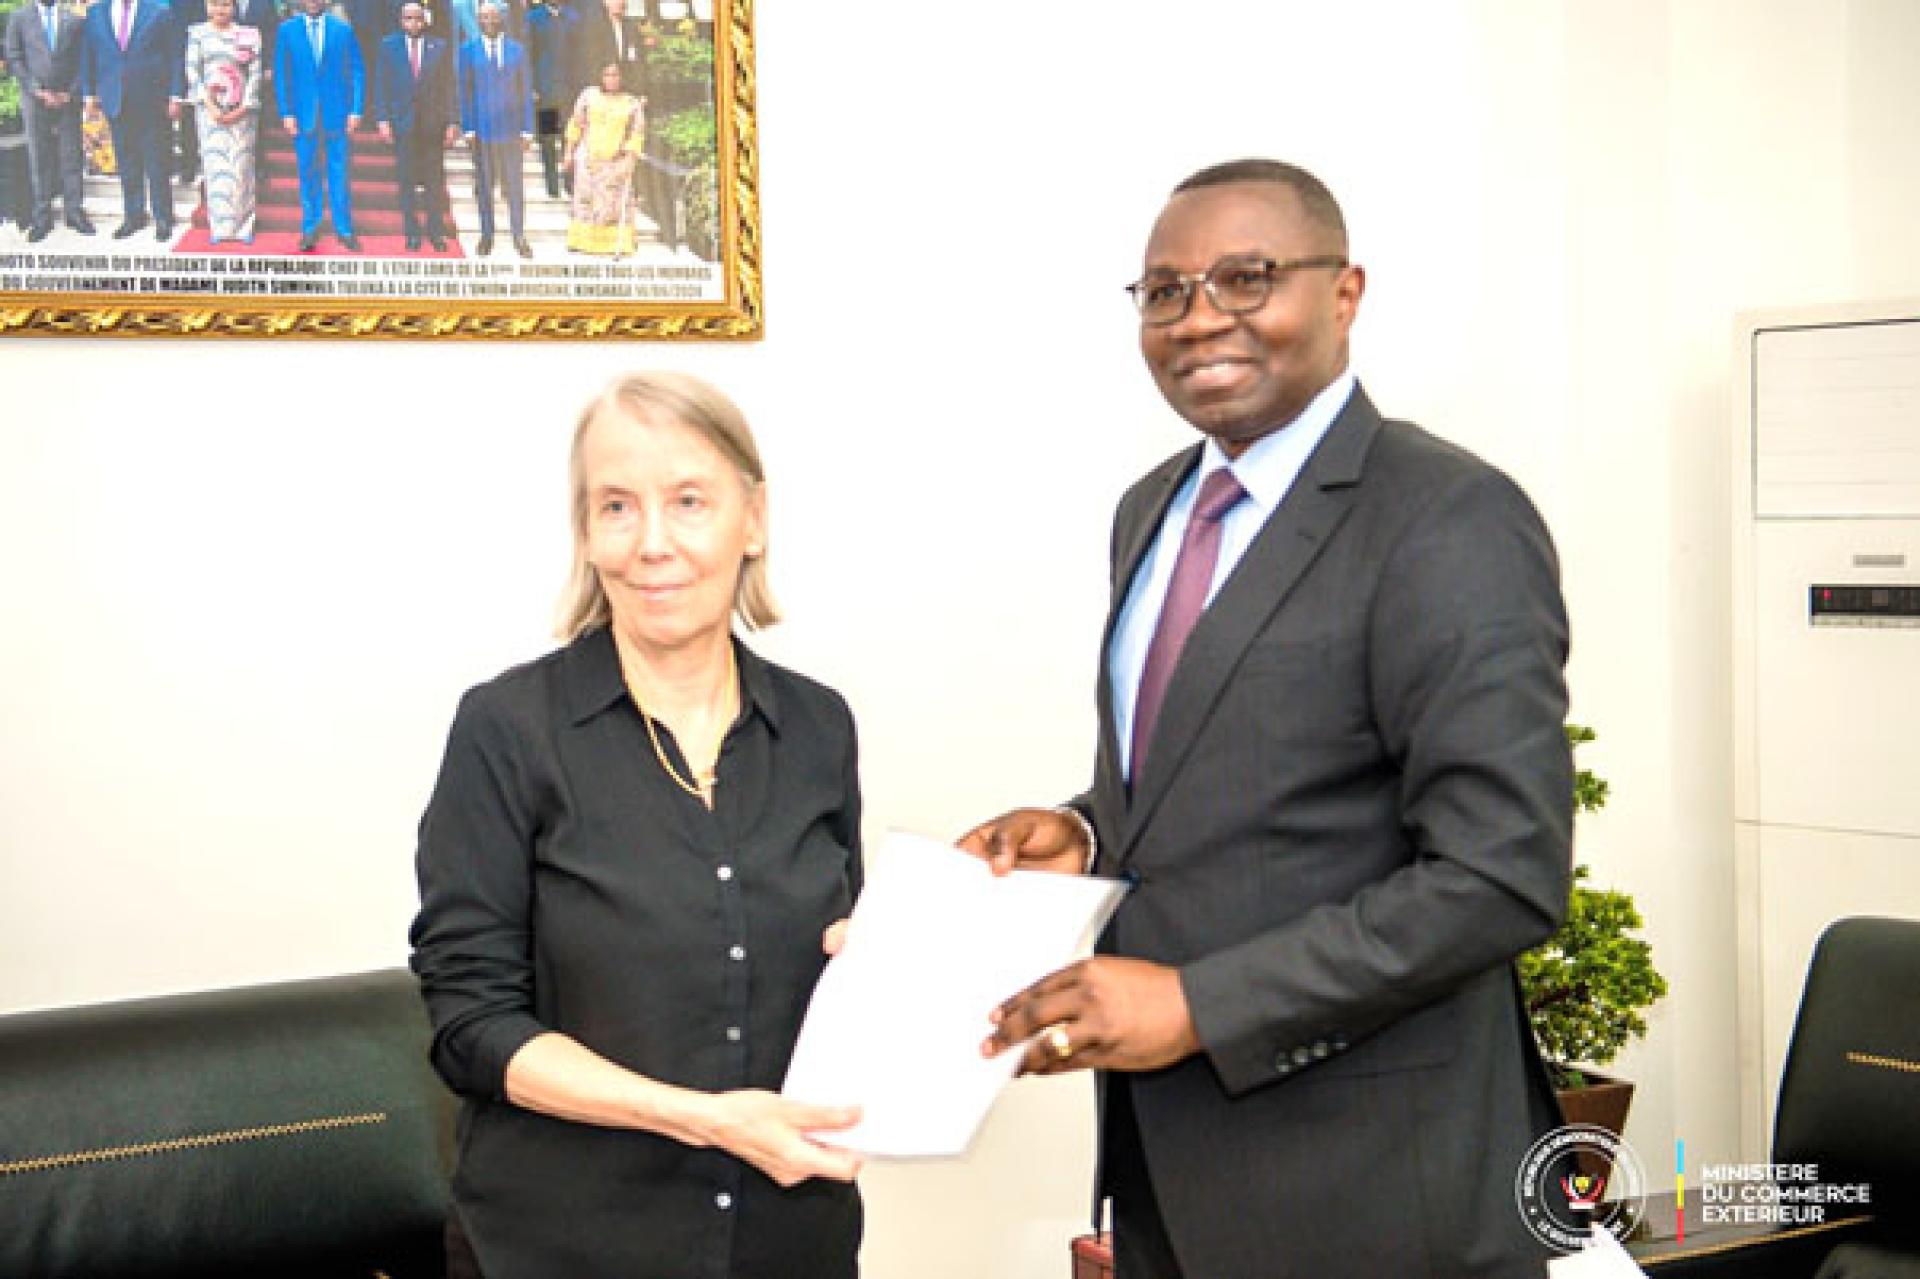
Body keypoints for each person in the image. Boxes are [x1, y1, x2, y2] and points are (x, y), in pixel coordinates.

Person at [964, 158, 1575, 1279]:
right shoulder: (1152, 507)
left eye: (1246, 279)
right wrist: (1088, 830)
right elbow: (1238, 765)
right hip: (1170, 1181)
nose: (1200, 319)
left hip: (1379, 1196)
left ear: (1344, 293)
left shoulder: (1448, 517)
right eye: (1165, 292)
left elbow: (1502, 873)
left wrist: (1199, 1005)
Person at [410, 371, 866, 1279]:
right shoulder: (507, 730)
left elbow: (833, 965)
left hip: (789, 1245)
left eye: (689, 501)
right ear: (586, 534)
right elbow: (470, 1022)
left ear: (753, 519)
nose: (653, 543)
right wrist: (704, 1118)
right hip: (563, 1250)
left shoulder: (818, 727)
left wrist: (880, 965)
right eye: (616, 506)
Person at [78, 0, 183, 240]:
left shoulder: (159, 11)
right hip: (115, 97)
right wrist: (88, 93)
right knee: (127, 162)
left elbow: (175, 55)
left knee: (156, 161)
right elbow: (88, 55)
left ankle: (163, 217)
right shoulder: (96, 13)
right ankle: (133, 216)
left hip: (152, 98)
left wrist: (176, 94)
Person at [275, 0, 364, 251]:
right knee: (307, 172)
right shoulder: (287, 30)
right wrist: (286, 112)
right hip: (304, 114)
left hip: (338, 112)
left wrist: (356, 109)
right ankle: (310, 228)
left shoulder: (343, 29)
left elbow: (357, 71)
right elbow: (281, 75)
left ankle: (344, 229)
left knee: (340, 172)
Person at [4, 0, 96, 240]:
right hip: (35, 100)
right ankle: (42, 217)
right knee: (39, 157)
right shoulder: (19, 17)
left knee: (71, 157)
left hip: (68, 99)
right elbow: (14, 57)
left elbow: (84, 60)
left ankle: (74, 212)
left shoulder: (73, 20)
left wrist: (71, 92)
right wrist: (37, 90)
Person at [373, 0, 457, 251]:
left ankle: (435, 232)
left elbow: (449, 87)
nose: (413, 23)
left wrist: (453, 122)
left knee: (434, 181)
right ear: (401, 21)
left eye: (417, 18)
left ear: (424, 20)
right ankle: (412, 232)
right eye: (408, 18)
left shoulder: (439, 46)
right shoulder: (388, 46)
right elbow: (381, 84)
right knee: (406, 180)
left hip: (433, 125)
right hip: (403, 123)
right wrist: (383, 119)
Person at [184, 0, 263, 244]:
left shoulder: (248, 34)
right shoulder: (197, 33)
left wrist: (242, 108)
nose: (220, 9)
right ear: (207, 5)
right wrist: (210, 106)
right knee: (215, 168)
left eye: (226, 4)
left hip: (242, 114)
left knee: (241, 170)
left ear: (234, 7)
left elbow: (255, 73)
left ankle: (244, 226)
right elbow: (192, 71)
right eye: (215, 4)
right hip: (210, 113)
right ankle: (219, 227)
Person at [458, 0, 531, 258]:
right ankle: (487, 235)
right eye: (484, 17)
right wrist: (468, 127)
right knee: (485, 185)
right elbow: (464, 91)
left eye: (493, 16)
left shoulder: (517, 50)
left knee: (515, 185)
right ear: (478, 21)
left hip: (511, 129)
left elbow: (525, 90)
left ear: (502, 19)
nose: (489, 21)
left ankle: (519, 235)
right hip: (482, 130)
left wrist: (527, 129)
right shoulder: (468, 50)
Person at [560, 60, 640, 256]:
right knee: (585, 203)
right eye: (607, 75)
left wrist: (630, 159)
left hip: (615, 163)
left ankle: (613, 245)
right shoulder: (588, 96)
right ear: (600, 77)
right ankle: (581, 241)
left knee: (611, 207)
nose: (611, 79)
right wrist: (569, 153)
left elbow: (636, 133)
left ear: (622, 77)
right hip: (588, 160)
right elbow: (575, 124)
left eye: (615, 75)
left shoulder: (631, 103)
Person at [523, 0, 572, 198]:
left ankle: (570, 183)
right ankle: (552, 186)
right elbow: (529, 54)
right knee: (548, 140)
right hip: (545, 89)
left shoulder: (572, 17)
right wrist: (532, 86)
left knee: (570, 138)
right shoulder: (534, 18)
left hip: (568, 89)